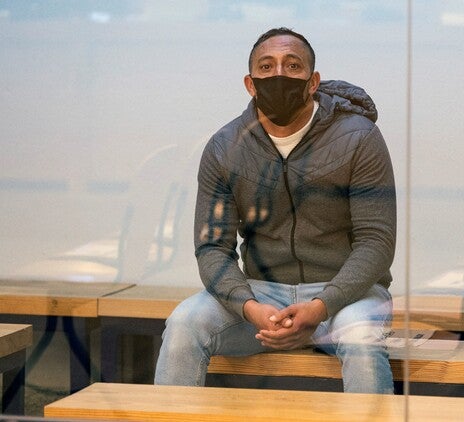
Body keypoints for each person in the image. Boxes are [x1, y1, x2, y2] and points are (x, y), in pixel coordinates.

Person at [155, 27, 396, 394]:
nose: (279, 74)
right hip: (260, 297)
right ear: (250, 84)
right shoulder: (225, 147)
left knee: (361, 338)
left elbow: (376, 242)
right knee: (184, 324)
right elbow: (212, 248)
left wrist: (320, 307)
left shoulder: (359, 137)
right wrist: (250, 307)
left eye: (292, 65)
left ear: (313, 81)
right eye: (266, 67)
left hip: (346, 297)